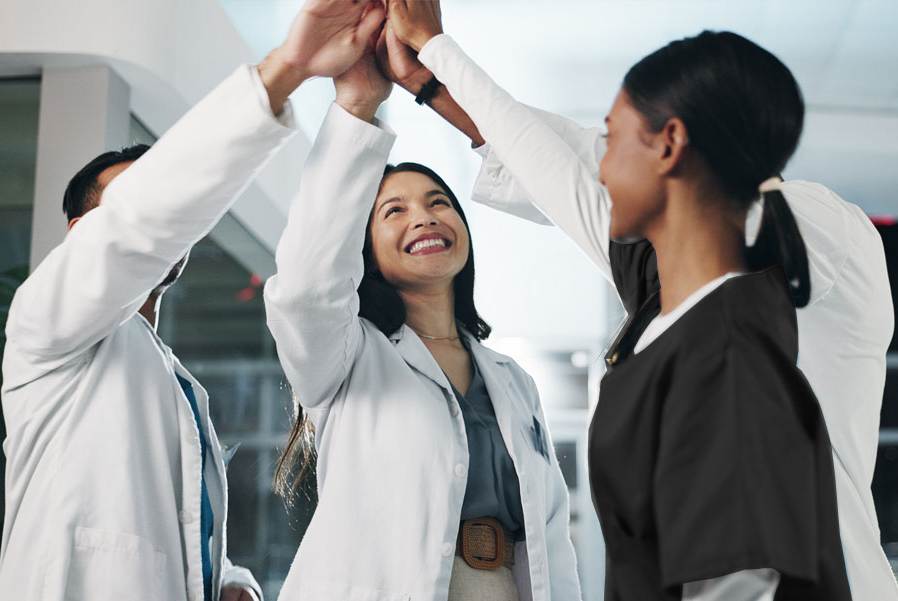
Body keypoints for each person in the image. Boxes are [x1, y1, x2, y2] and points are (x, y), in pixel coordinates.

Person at [378, 4, 898, 600]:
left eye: (615, 141)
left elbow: (571, 180)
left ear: (674, 148)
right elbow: (559, 163)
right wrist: (428, 83)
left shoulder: (817, 230)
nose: (602, 165)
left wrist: (443, 52)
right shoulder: (674, 290)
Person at [0, 2, 388, 600]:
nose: (161, 210)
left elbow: (173, 530)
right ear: (82, 236)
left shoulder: (171, 381)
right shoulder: (43, 324)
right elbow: (145, 220)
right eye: (134, 196)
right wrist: (286, 70)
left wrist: (229, 581)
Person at [263, 28, 581, 601]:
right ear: (364, 252)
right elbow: (307, 284)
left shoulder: (513, 381)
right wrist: (357, 107)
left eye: (438, 202)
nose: (425, 217)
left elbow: (552, 534)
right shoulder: (346, 358)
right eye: (394, 210)